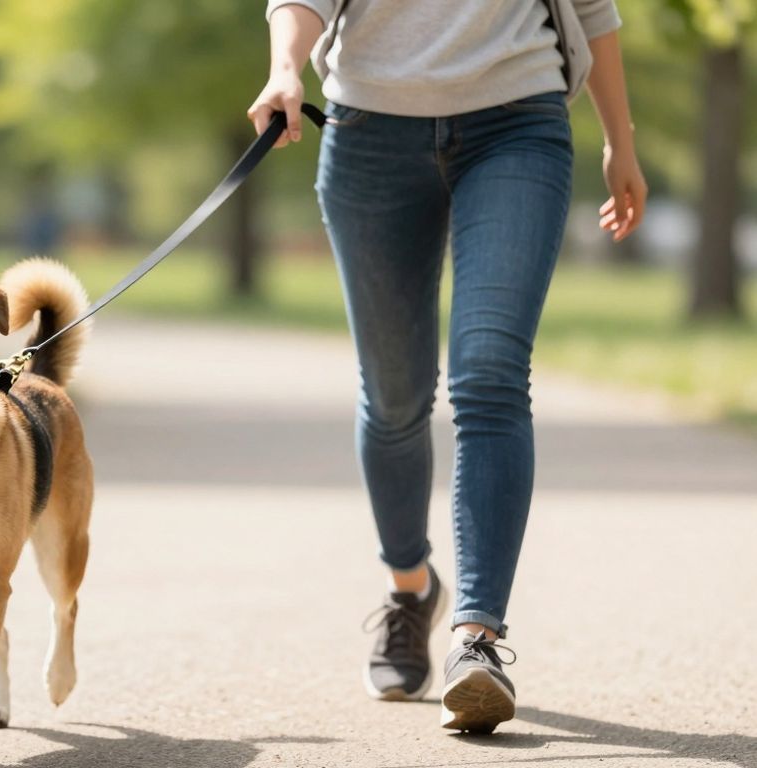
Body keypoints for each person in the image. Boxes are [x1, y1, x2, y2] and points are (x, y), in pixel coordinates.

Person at [248, 0, 646, 733]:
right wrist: (283, 70)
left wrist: (619, 140)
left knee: (491, 372)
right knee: (395, 396)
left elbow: (592, 9)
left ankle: (478, 641)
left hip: (517, 123)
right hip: (369, 133)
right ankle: (410, 589)